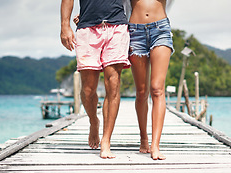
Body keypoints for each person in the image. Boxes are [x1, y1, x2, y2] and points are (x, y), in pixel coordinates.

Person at [60, 0, 130, 159]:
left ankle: (106, 140)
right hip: (87, 29)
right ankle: (93, 121)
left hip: (117, 27)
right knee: (88, 90)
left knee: (113, 86)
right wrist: (65, 26)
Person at [127, 0, 174, 160]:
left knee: (157, 88)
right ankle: (143, 139)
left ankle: (155, 144)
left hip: (160, 30)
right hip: (135, 31)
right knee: (141, 92)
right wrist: (87, 15)